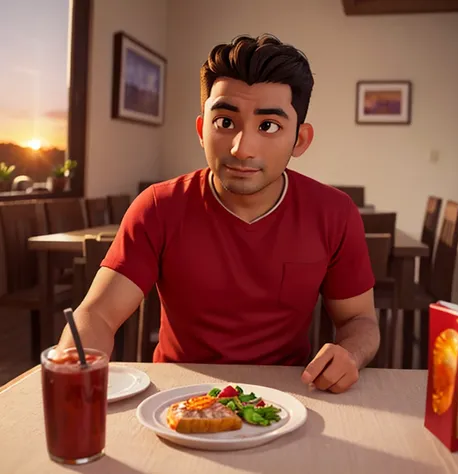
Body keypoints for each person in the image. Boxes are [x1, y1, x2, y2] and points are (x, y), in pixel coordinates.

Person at [57, 34, 379, 394]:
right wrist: (73, 367)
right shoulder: (158, 207)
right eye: (225, 122)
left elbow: (359, 319)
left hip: (291, 395)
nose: (241, 149)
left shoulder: (334, 214)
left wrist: (350, 353)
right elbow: (96, 314)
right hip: (176, 395)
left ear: (299, 140)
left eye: (268, 126)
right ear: (201, 130)